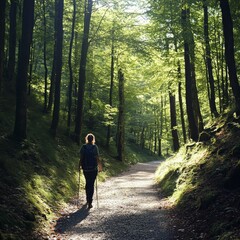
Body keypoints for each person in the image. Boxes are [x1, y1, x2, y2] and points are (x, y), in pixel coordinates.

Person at [79, 133, 102, 209]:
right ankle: (90, 202)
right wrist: (100, 166)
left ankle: (87, 199)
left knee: (87, 183)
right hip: (93, 169)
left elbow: (81, 157)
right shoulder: (95, 147)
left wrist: (79, 165)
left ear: (87, 139)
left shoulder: (83, 147)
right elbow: (97, 158)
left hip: (85, 168)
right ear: (93, 139)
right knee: (91, 184)